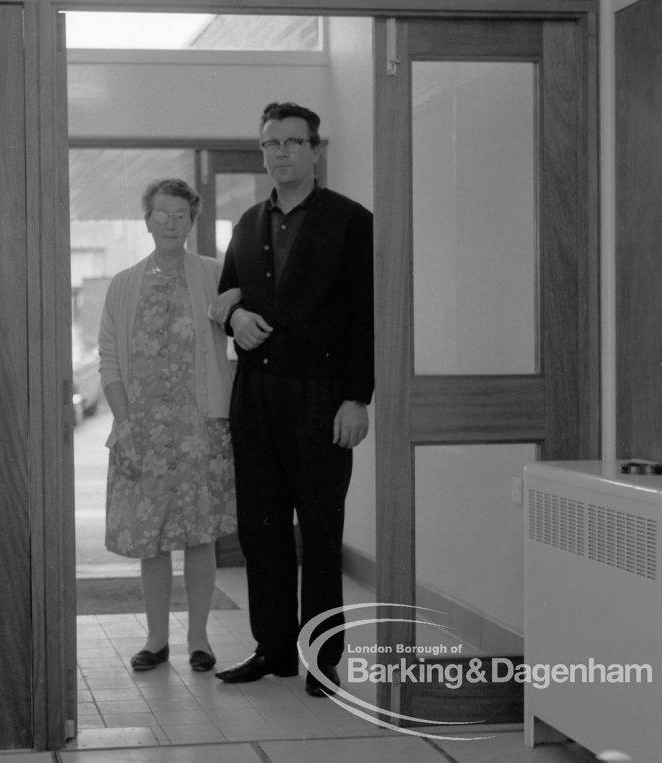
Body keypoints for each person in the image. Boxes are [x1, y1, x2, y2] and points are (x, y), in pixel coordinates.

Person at [212, 102, 374, 697]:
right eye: (270, 144)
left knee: (321, 527)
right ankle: (272, 648)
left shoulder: (353, 222)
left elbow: (367, 316)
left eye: (291, 142)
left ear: (314, 149)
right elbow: (226, 291)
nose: (279, 153)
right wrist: (236, 316)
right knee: (262, 527)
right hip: (254, 395)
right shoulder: (247, 223)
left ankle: (322, 659)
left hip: (323, 396)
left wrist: (358, 398)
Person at [98, 178, 240, 673]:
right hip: (142, 432)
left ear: (192, 220)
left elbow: (239, 337)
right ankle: (156, 639)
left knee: (201, 535)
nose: (171, 224)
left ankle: (199, 638)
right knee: (151, 540)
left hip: (200, 428)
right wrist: (127, 420)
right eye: (162, 214)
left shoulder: (215, 274)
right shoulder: (123, 283)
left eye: (180, 215)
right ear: (147, 218)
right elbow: (109, 359)